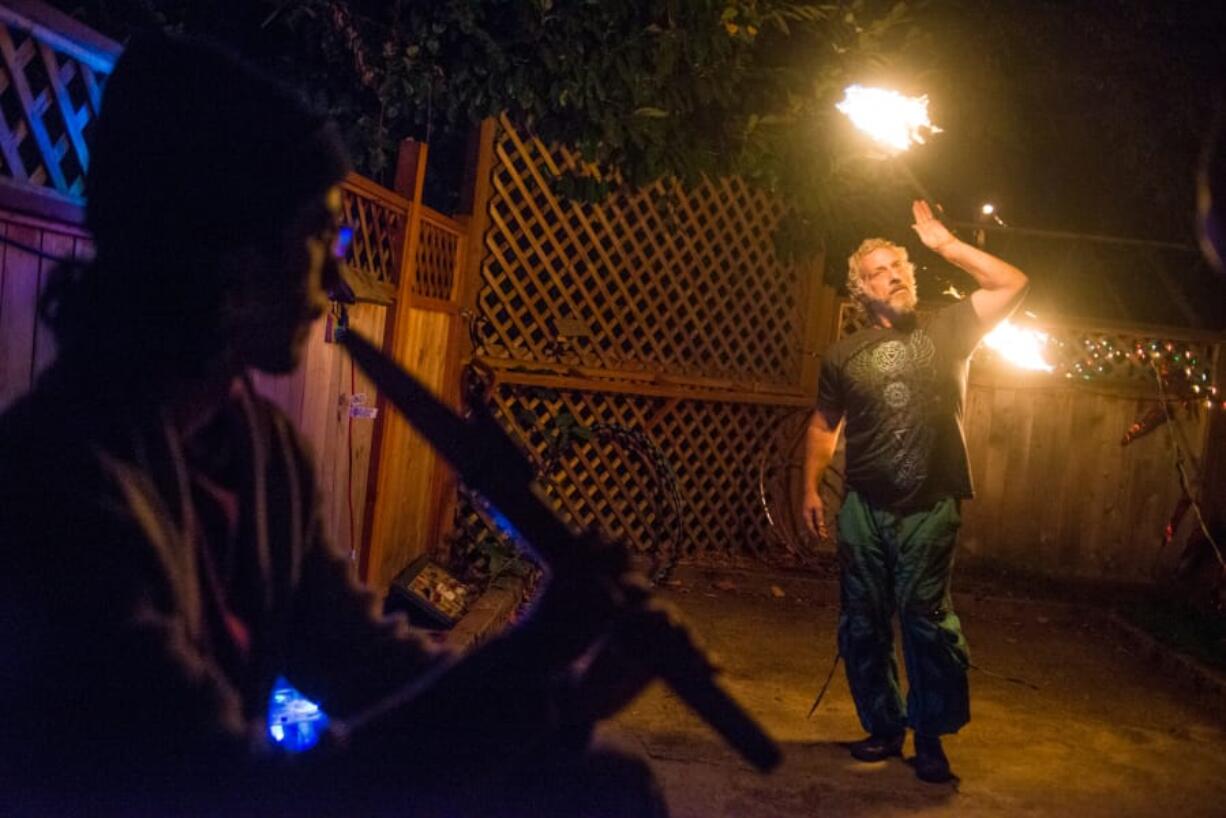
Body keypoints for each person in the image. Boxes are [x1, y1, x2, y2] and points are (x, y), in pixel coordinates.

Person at [0, 33, 667, 817]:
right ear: (224, 251)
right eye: (319, 235)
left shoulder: (254, 448)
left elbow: (362, 662)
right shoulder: (59, 482)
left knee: (602, 784)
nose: (336, 277)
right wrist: (531, 660)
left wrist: (561, 693)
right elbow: (238, 790)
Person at [801, 201, 1028, 783]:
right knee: (862, 622)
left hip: (931, 506)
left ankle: (930, 737)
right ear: (860, 287)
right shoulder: (841, 355)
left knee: (926, 620)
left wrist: (947, 245)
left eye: (899, 265)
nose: (894, 275)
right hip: (863, 509)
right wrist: (808, 488)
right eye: (879, 270)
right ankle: (883, 726)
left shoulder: (950, 328)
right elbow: (825, 425)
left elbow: (1013, 282)